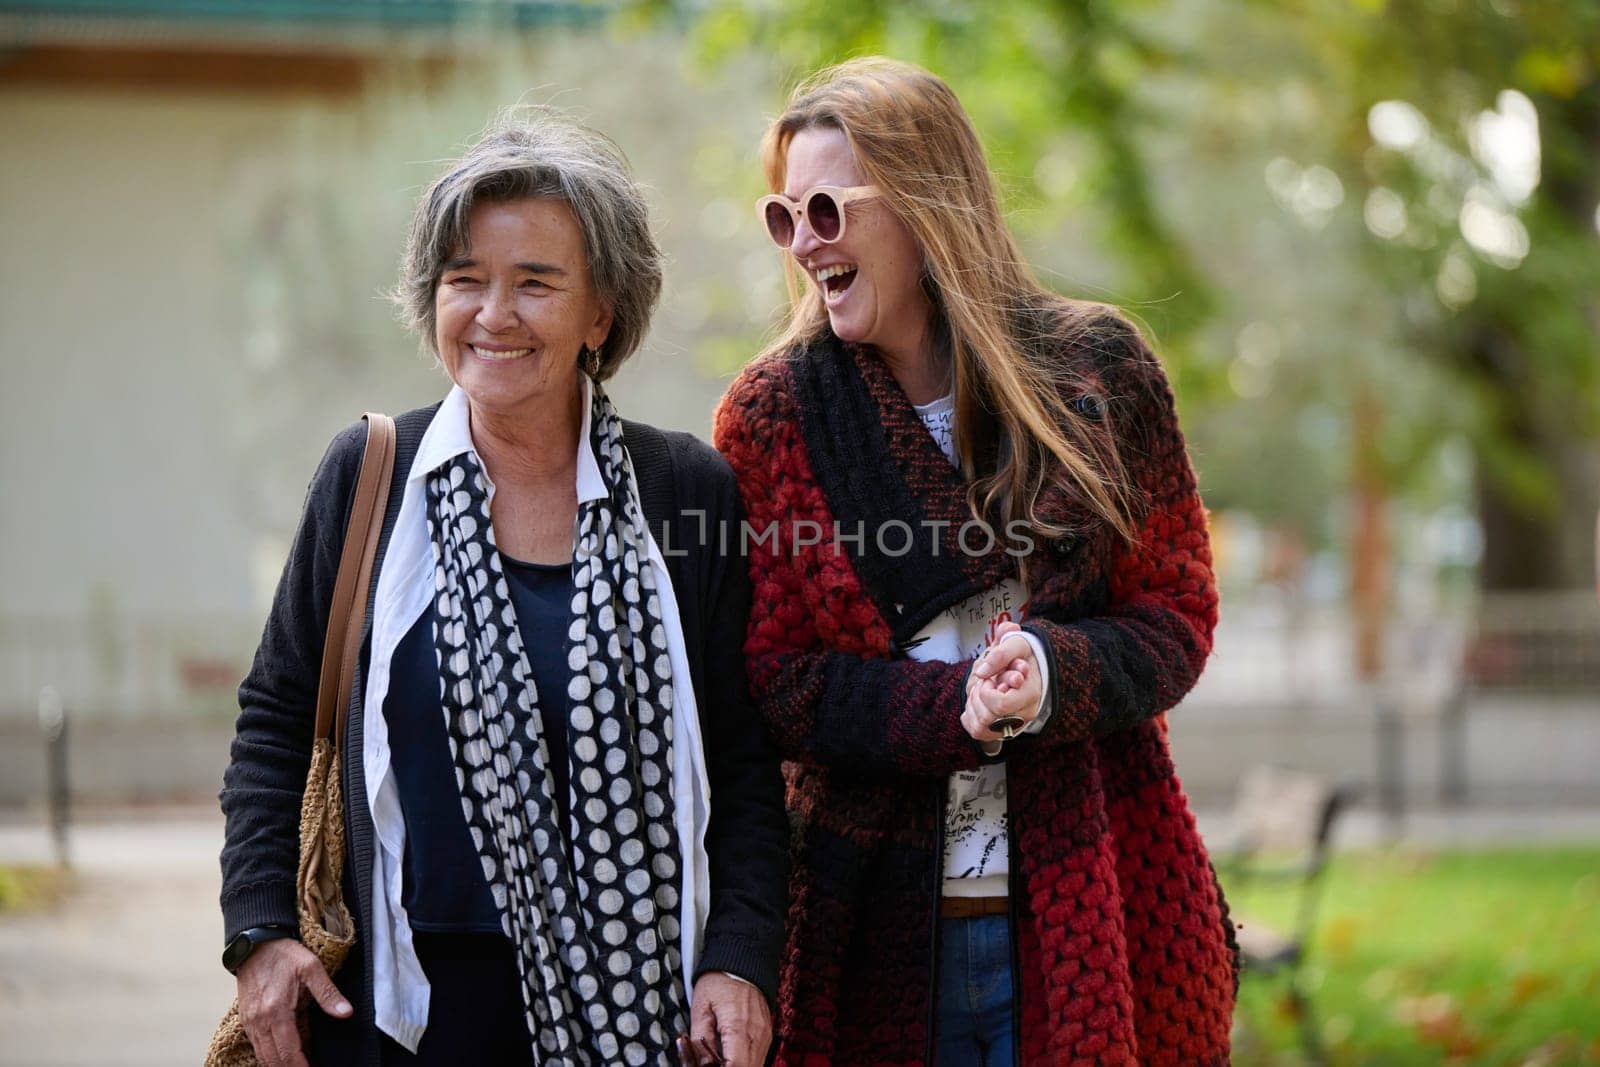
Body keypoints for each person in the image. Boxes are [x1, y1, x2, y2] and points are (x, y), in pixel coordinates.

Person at [219, 110, 787, 1067]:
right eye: (465, 281)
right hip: (399, 1015)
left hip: (641, 1011)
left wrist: (738, 957)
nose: (493, 314)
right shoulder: (370, 476)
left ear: (600, 313)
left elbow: (741, 765)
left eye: (535, 283)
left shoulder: (685, 491)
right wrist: (259, 929)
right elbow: (276, 717)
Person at [713, 58, 1238, 1065]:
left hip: (1087, 894)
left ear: (924, 201)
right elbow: (775, 679)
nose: (804, 243)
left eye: (826, 207)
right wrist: (949, 707)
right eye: (783, 218)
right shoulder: (775, 415)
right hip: (865, 927)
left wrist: (1050, 673)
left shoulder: (1095, 370)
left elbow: (1174, 612)